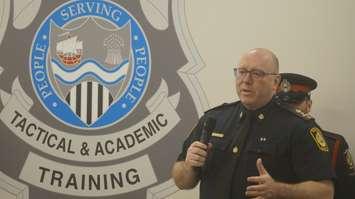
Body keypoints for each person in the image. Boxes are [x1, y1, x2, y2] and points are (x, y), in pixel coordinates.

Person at [171, 48, 334, 199]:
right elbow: (182, 182)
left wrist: (279, 190)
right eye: (241, 72)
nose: (246, 80)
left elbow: (325, 192)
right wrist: (189, 165)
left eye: (257, 73)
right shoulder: (214, 119)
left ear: (276, 82)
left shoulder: (298, 127)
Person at [276, 72, 355, 199]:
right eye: (282, 105)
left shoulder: (334, 145)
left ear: (308, 105)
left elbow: (347, 191)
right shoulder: (262, 141)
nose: (289, 111)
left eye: (294, 104)